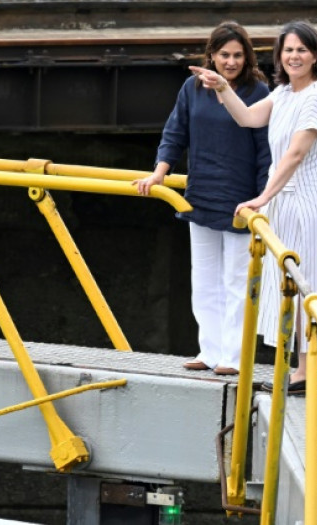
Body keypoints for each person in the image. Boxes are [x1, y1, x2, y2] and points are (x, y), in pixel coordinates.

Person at [191, 20, 317, 393]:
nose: (294, 56)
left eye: (301, 50)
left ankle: (306, 369)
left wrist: (262, 197)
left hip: (306, 201)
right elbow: (248, 118)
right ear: (279, 56)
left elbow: (294, 154)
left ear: (316, 55)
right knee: (290, 281)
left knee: (306, 283)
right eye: (288, 50)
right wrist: (222, 87)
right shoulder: (285, 93)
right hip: (284, 203)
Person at [135, 21, 270, 376]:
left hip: (241, 197)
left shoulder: (258, 91)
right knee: (205, 278)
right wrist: (159, 173)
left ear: (247, 57)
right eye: (224, 55)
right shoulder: (192, 88)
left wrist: (262, 197)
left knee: (236, 282)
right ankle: (208, 351)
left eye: (238, 55)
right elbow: (175, 132)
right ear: (211, 55)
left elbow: (265, 149)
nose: (231, 62)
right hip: (202, 194)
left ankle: (234, 356)